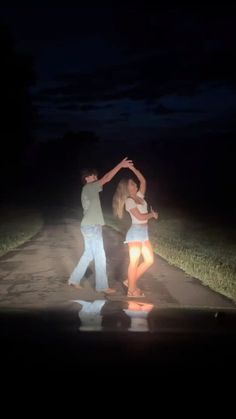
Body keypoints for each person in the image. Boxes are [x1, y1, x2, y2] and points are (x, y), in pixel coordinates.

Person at [68, 157, 133, 294]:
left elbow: (105, 179)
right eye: (94, 175)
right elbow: (107, 178)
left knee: (88, 255)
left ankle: (74, 279)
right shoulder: (90, 187)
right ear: (87, 177)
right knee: (100, 256)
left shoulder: (87, 189)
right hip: (92, 226)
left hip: (87, 226)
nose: (96, 177)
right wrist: (120, 165)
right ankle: (102, 286)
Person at [112, 166, 158, 297]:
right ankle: (132, 290)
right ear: (128, 188)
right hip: (136, 233)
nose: (135, 184)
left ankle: (129, 281)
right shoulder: (129, 201)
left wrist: (133, 168)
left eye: (134, 182)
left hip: (144, 233)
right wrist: (152, 215)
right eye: (132, 184)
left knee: (149, 260)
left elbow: (143, 181)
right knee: (134, 262)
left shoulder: (139, 197)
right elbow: (140, 217)